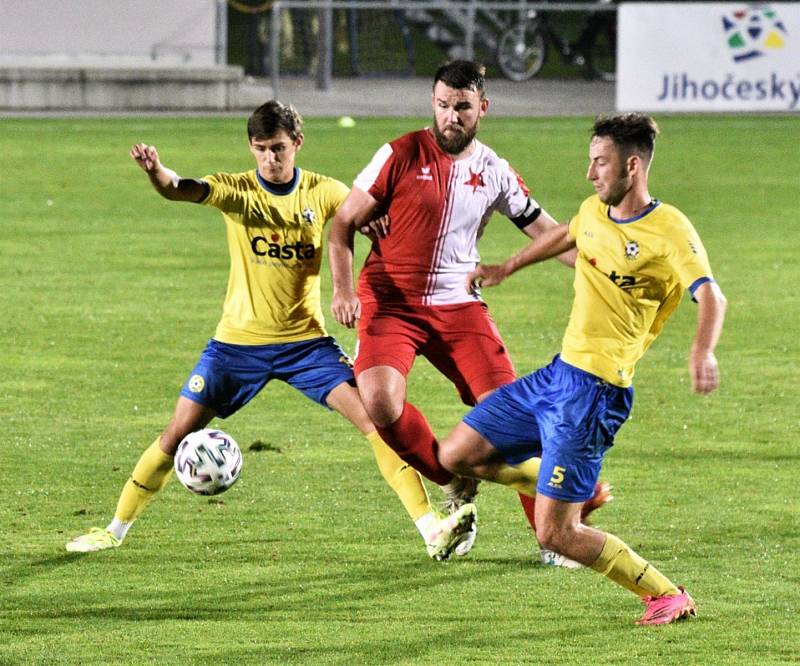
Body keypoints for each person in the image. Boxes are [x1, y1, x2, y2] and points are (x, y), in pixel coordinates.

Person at [65, 100, 476, 561]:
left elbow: (361, 213)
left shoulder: (323, 192)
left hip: (307, 345)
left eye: (278, 148)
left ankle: (431, 529)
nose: (270, 159)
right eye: (260, 149)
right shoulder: (236, 190)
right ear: (252, 148)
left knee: (376, 422)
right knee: (178, 431)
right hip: (236, 345)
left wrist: (375, 217)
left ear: (297, 143)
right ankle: (114, 529)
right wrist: (156, 172)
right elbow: (180, 188)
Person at [437, 113, 727, 624]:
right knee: (456, 454)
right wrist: (508, 266)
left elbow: (712, 297)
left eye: (600, 162)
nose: (590, 173)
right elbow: (569, 233)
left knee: (556, 535)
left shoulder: (670, 230)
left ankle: (665, 593)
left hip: (596, 394)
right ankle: (570, 489)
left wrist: (702, 352)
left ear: (632, 166)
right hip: (556, 376)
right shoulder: (597, 211)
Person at [327, 60, 610, 561]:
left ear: (483, 106)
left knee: (514, 418)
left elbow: (545, 231)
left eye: (461, 107)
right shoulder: (398, 153)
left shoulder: (494, 170)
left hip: (460, 307)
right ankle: (453, 477)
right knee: (380, 403)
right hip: (392, 302)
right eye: (442, 105)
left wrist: (596, 263)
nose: (450, 116)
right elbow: (343, 222)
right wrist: (344, 291)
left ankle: (554, 539)